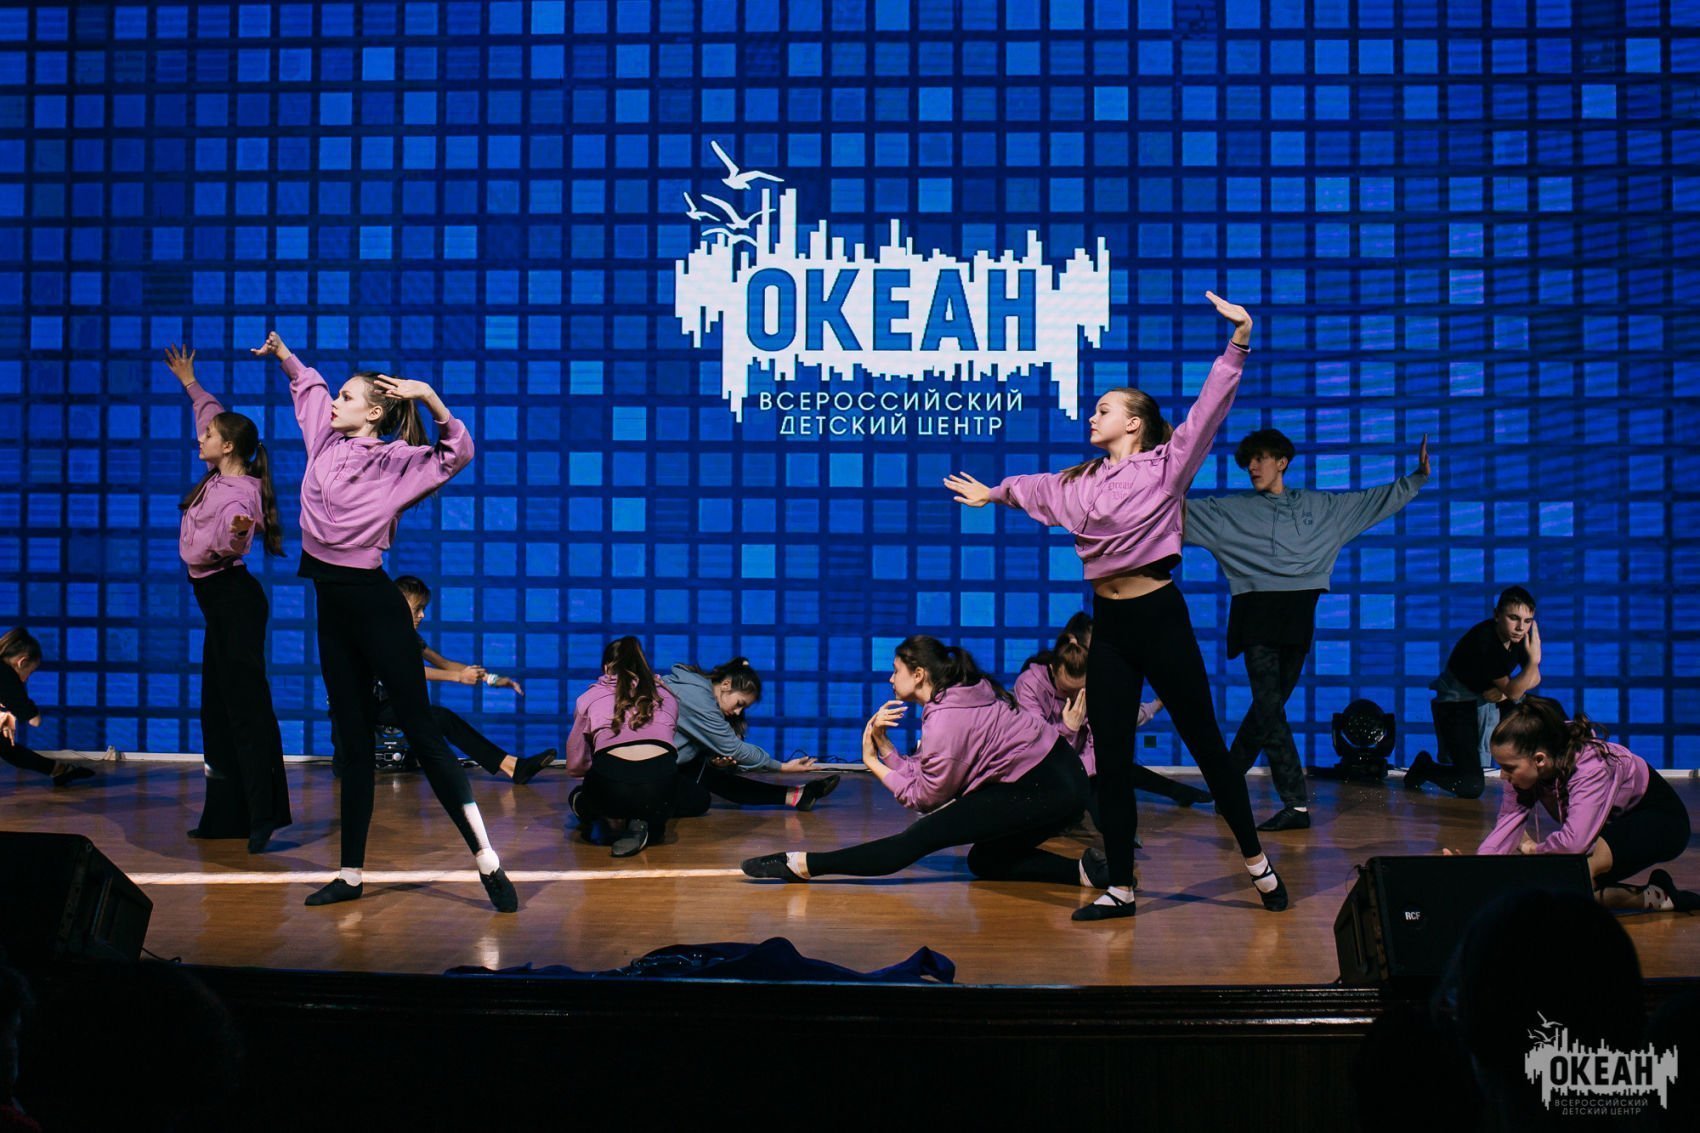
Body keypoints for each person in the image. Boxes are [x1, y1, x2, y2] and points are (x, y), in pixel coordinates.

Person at [942, 292, 1286, 920]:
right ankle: (1122, 887)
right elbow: (1035, 488)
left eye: (1105, 409)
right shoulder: (1082, 482)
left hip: (1160, 618)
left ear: (1134, 423)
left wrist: (1238, 342)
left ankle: (1258, 863)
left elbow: (1209, 411)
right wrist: (994, 493)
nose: (1092, 415)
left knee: (1207, 747)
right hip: (1112, 626)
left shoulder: (1166, 467)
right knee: (1114, 762)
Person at [252, 330, 515, 912]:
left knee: (424, 734)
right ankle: (350, 875)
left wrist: (430, 398)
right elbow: (309, 389)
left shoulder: (396, 461)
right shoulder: (325, 438)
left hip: (376, 608)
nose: (335, 402)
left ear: (374, 413)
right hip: (331, 608)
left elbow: (457, 453)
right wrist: (285, 356)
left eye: (347, 397)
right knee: (352, 743)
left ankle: (487, 860)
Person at [1184, 428, 1431, 831]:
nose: (1252, 467)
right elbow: (1174, 513)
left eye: (1261, 459)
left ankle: (1225, 785)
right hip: (1256, 620)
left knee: (1266, 711)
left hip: (1298, 620)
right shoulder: (1232, 510)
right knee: (1269, 708)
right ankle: (1295, 804)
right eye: (1248, 461)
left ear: (1282, 462)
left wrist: (1416, 478)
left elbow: (1371, 502)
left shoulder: (1321, 507)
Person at [742, 637, 1100, 892]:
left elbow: (925, 798)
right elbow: (927, 773)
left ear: (918, 674)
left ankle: (803, 864)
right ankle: (1088, 872)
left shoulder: (947, 718)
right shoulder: (955, 698)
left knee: (916, 839)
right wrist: (885, 748)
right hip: (1058, 780)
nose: (890, 678)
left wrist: (871, 761)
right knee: (986, 861)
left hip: (1047, 786)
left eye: (895, 670)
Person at [164, 346, 293, 852]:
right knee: (216, 712)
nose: (201, 437)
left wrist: (238, 534)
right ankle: (224, 816)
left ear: (230, 447)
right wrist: (190, 382)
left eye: (209, 437)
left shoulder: (240, 493)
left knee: (246, 711)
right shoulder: (223, 470)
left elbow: (231, 541)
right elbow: (211, 414)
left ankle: (264, 815)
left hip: (234, 603)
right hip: (219, 605)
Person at [1450, 696, 1697, 912]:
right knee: (1559, 888)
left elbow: (1573, 844)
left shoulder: (1591, 766)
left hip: (1660, 820)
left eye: (1508, 768)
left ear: (1540, 760)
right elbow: (1506, 827)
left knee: (1568, 877)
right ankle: (1656, 896)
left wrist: (1534, 853)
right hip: (1610, 827)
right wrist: (1477, 873)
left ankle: (1657, 897)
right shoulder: (1524, 767)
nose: (1503, 775)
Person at [1011, 613, 1213, 828]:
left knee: (1117, 772)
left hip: (1085, 763)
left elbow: (1119, 718)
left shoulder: (1096, 679)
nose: (1076, 695)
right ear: (1055, 667)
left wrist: (1156, 705)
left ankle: (1177, 793)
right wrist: (1068, 728)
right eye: (1067, 689)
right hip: (1050, 765)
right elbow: (1038, 747)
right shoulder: (1030, 684)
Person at [357, 575, 554, 785]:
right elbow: (408, 672)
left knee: (442, 718)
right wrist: (459, 677)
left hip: (388, 704)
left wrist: (491, 679)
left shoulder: (410, 636)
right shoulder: (381, 633)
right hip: (362, 708)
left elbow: (443, 663)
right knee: (348, 767)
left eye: (424, 609)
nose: (422, 615)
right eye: (417, 609)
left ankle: (513, 767)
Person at [1407, 586, 1540, 799]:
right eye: (1513, 618)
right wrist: (1533, 662)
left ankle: (1545, 772)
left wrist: (1505, 693)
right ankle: (1425, 767)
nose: (1520, 627)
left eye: (1527, 621)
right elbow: (1517, 689)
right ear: (1497, 615)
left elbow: (1534, 679)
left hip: (1490, 696)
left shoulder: (1519, 636)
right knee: (1470, 785)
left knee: (1540, 710)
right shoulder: (1485, 641)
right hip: (1456, 703)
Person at [666, 657, 839, 816]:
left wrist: (714, 762)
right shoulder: (696, 698)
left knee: (707, 774)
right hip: (654, 769)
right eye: (739, 704)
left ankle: (797, 795)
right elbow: (734, 748)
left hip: (669, 765)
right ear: (726, 684)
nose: (737, 712)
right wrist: (782, 767)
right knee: (699, 800)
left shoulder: (700, 694)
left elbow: (685, 746)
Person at [564, 636, 681, 857]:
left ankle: (611, 815)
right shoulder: (667, 696)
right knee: (662, 786)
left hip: (611, 789)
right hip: (660, 791)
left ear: (606, 668)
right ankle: (642, 820)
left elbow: (576, 765)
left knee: (580, 796)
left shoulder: (589, 698)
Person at [0, 629, 93, 788]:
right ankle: (59, 770)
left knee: (5, 746)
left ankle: (59, 770)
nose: (27, 679)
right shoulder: (7, 676)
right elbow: (34, 720)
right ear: (22, 662)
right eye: (30, 672)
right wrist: (19, 709)